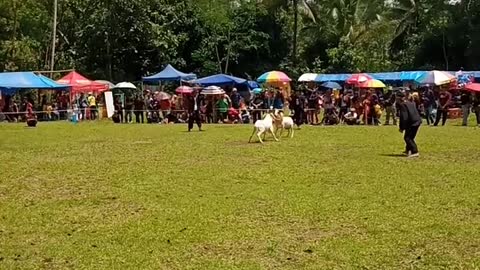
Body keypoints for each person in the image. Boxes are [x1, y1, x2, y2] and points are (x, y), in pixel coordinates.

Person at [397, 92, 422, 158]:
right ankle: (408, 149)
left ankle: (415, 151)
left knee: (407, 138)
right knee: (410, 137)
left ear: (400, 98)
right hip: (417, 121)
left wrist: (401, 128)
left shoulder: (403, 105)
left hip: (412, 123)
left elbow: (404, 117)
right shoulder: (410, 102)